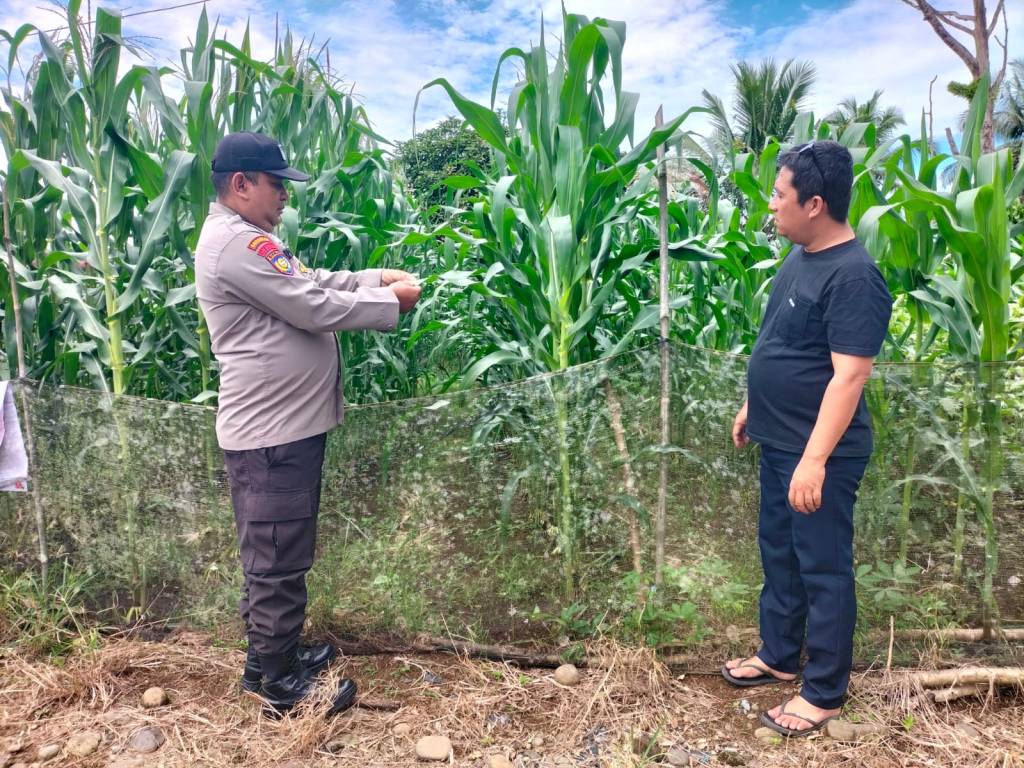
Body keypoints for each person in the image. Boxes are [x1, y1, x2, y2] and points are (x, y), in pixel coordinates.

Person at [195, 131, 421, 716]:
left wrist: (373, 278)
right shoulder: (235, 245)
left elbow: (310, 281)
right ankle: (279, 685)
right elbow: (309, 307)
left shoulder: (253, 240)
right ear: (241, 184)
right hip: (270, 433)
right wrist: (390, 304)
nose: (285, 197)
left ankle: (270, 657)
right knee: (276, 557)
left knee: (281, 550)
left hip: (283, 427)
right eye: (277, 185)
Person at [722, 140, 893, 737]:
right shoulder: (801, 257)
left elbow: (850, 376)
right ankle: (777, 652)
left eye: (779, 194)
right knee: (780, 554)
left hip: (819, 453)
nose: (771, 205)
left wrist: (815, 460)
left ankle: (823, 691)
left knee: (821, 565)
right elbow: (783, 342)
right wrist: (753, 404)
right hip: (780, 439)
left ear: (815, 203)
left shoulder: (854, 277)